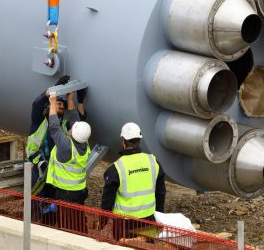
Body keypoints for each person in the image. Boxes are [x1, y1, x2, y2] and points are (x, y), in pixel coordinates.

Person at [100, 122, 166, 240]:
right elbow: (161, 192)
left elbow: (107, 200)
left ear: (123, 142)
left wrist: (102, 222)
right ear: (139, 141)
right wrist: (159, 216)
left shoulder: (116, 168)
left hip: (125, 224)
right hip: (148, 220)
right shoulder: (152, 161)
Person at [25, 75, 87, 199]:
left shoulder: (63, 126)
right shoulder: (39, 122)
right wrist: (54, 89)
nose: (61, 106)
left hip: (55, 172)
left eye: (63, 105)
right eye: (57, 103)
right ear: (49, 107)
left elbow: (79, 122)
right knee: (36, 203)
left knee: (52, 207)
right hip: (38, 169)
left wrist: (80, 101)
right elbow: (36, 104)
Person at [46, 93, 92, 232]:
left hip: (66, 194)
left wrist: (53, 102)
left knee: (68, 225)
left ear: (73, 134)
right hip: (79, 191)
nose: (72, 127)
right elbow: (75, 119)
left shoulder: (67, 147)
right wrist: (70, 99)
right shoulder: (84, 144)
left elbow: (54, 127)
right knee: (77, 219)